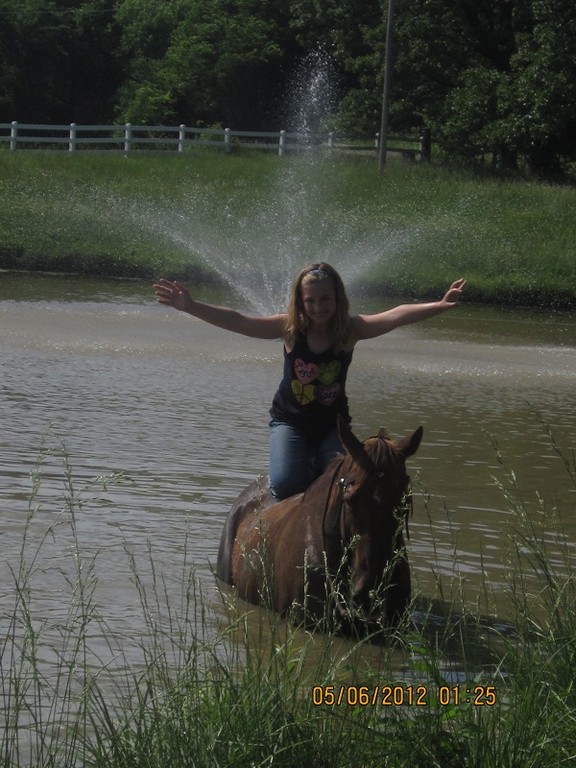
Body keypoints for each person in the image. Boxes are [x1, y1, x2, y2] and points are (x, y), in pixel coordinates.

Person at [153, 265, 465, 500]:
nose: (318, 307)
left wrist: (439, 305)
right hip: (290, 424)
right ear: (301, 302)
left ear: (337, 298)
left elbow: (397, 315)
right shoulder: (289, 328)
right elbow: (239, 321)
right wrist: (191, 306)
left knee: (346, 485)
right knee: (288, 483)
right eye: (310, 300)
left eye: (325, 299)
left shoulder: (351, 330)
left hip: (333, 428)